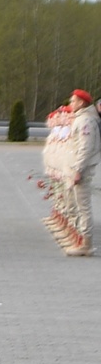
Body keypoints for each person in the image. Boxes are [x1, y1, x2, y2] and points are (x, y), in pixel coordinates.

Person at [68, 89, 98, 257]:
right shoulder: (82, 119)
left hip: (83, 169)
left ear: (81, 103)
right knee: (81, 206)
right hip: (80, 168)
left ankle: (86, 244)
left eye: (73, 101)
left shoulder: (85, 121)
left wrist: (78, 170)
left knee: (83, 207)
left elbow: (85, 148)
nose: (71, 104)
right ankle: (82, 240)